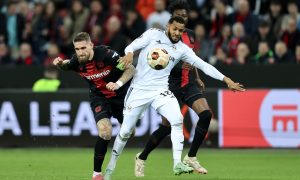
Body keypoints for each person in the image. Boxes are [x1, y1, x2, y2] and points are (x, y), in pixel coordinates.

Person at [104, 16, 245, 179]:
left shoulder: (182, 49)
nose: (177, 33)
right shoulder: (153, 34)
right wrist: (129, 54)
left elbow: (204, 65)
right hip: (139, 90)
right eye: (175, 29)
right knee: (126, 132)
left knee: (177, 119)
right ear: (168, 26)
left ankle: (177, 163)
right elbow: (131, 46)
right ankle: (110, 168)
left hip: (160, 90)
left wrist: (226, 80)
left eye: (180, 30)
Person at [134, 0, 213, 177]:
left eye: (185, 15)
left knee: (206, 114)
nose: (182, 18)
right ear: (171, 18)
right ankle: (142, 157)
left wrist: (198, 77)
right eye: (179, 15)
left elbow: (193, 58)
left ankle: (191, 156)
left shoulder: (191, 35)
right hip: (169, 85)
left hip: (188, 82)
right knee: (167, 126)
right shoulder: (161, 36)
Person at [52, 32, 135, 180]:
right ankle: (97, 174)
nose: (80, 52)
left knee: (131, 131)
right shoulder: (76, 61)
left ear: (91, 45)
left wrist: (117, 83)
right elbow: (66, 66)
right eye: (77, 49)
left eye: (83, 48)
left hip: (120, 97)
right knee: (104, 131)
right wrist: (59, 64)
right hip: (99, 98)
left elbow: (131, 69)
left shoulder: (107, 54)